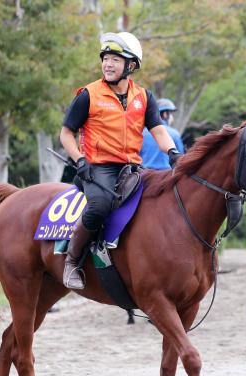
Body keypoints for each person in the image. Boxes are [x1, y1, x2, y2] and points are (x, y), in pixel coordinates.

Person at [59, 32, 182, 289]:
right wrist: (80, 160)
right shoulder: (88, 95)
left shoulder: (145, 97)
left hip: (131, 168)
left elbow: (158, 130)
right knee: (100, 206)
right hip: (97, 168)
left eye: (115, 59)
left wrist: (172, 154)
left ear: (131, 65)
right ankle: (72, 261)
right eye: (105, 59)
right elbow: (66, 133)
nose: (108, 64)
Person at [140, 98, 185, 170]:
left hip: (144, 176)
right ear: (165, 114)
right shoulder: (174, 133)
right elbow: (181, 158)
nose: (172, 118)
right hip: (167, 177)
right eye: (171, 114)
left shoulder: (141, 133)